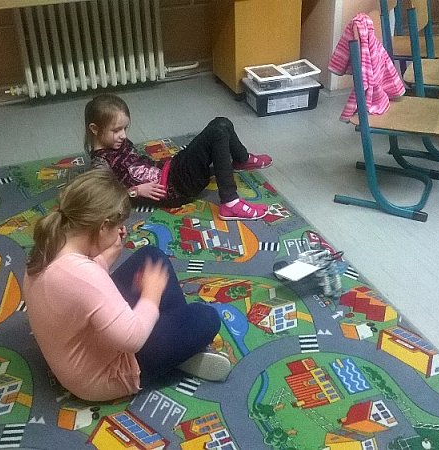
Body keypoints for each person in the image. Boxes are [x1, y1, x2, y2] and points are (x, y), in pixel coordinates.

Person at [23, 169, 231, 402]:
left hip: (80, 346)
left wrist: (104, 258)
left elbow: (76, 291)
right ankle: (179, 350)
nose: (119, 231)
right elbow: (132, 339)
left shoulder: (49, 244)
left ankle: (175, 345)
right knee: (205, 317)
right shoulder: (84, 275)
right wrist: (151, 295)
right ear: (103, 226)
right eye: (116, 226)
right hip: (104, 375)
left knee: (152, 257)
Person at [85, 93, 272, 220]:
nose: (123, 135)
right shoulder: (100, 163)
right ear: (94, 129)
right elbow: (100, 200)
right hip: (175, 188)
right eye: (116, 130)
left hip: (172, 169)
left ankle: (241, 159)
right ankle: (230, 202)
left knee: (221, 123)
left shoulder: (115, 142)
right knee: (218, 130)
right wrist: (135, 192)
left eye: (125, 128)